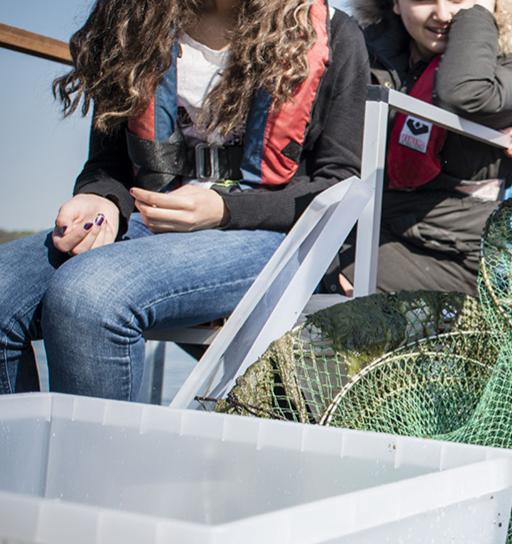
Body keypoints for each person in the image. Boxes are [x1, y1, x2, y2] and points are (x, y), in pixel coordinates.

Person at [0, 0, 367, 401]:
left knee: (89, 295)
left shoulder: (336, 34)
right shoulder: (132, 19)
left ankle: (92, 462)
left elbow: (337, 184)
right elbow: (107, 164)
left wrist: (225, 210)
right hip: (148, 225)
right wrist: (101, 199)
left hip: (270, 233)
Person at [335, 0, 512, 294]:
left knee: (335, 278)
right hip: (371, 224)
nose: (443, 14)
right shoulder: (363, 52)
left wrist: (479, 14)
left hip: (456, 255)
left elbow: (464, 94)